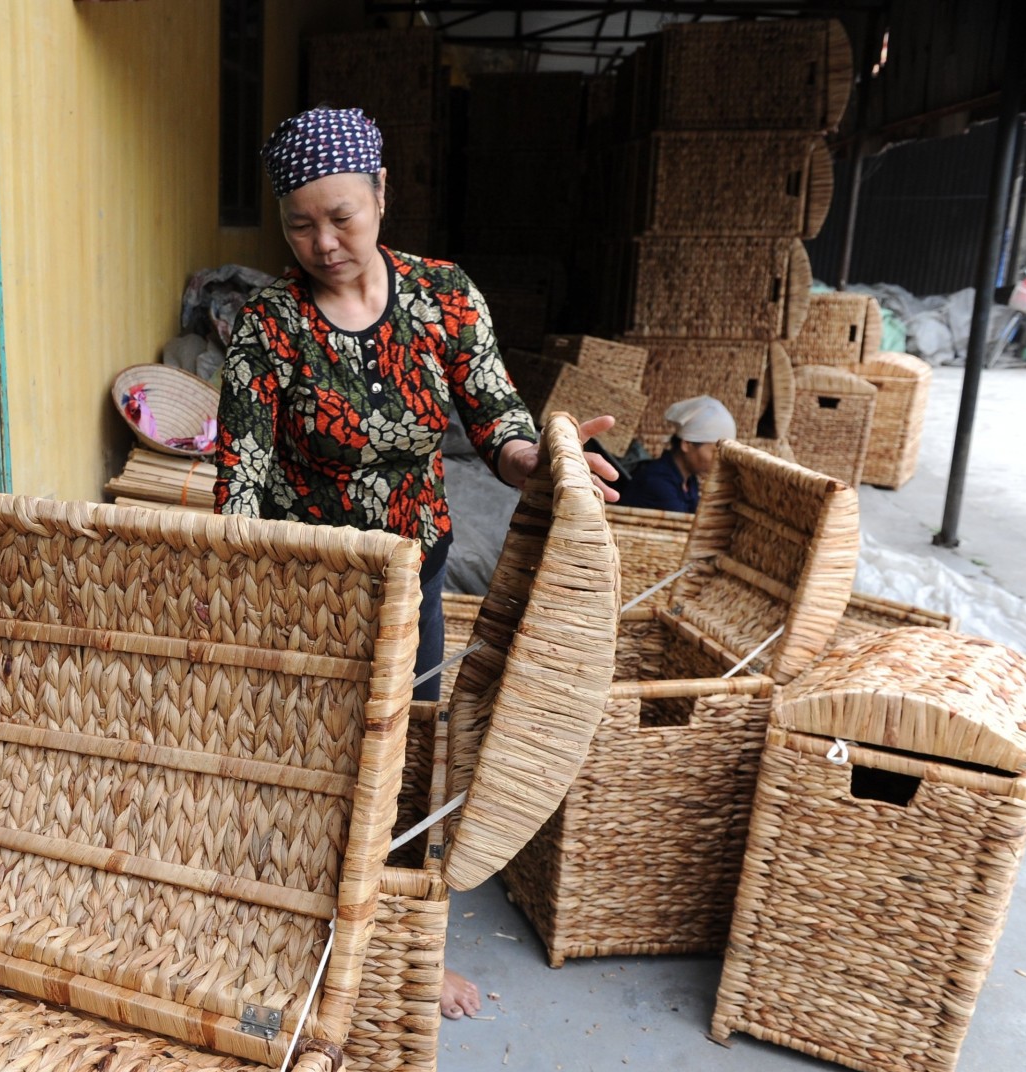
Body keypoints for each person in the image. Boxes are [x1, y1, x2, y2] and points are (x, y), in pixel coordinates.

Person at [213, 108, 617, 1020]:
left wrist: (545, 461)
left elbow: (497, 420)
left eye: (344, 217)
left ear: (384, 192)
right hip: (303, 591)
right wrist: (233, 592)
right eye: (302, 223)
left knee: (403, 760)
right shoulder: (267, 327)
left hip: (413, 579)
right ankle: (286, 938)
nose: (325, 243)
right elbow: (239, 478)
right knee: (300, 764)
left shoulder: (442, 295)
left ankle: (397, 950)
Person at [613, 395, 737, 514]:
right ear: (687, 445)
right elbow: (687, 526)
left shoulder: (689, 480)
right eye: (714, 452)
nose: (718, 460)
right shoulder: (658, 482)